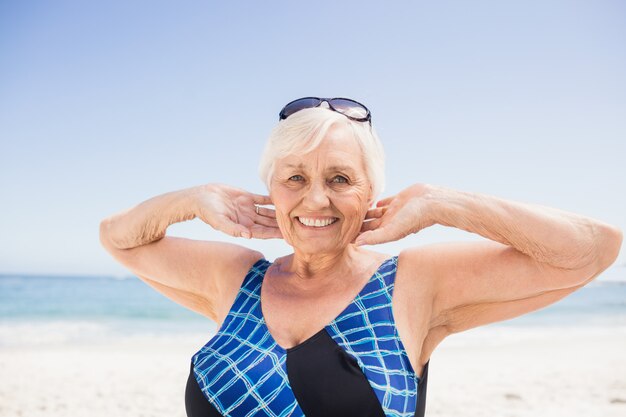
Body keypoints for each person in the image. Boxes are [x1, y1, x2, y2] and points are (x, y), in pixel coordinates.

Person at [99, 97, 623, 417]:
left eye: (341, 179)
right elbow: (118, 237)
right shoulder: (233, 278)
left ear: (372, 190)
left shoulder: (412, 286)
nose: (316, 200)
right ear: (270, 189)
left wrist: (445, 203)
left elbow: (593, 248)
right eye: (295, 178)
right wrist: (191, 199)